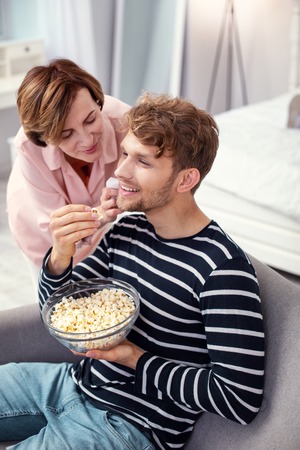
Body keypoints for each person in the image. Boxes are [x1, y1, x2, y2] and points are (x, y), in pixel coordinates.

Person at [0, 93, 265, 450]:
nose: (120, 171)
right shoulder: (126, 230)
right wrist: (62, 254)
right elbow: (60, 315)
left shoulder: (222, 270)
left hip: (128, 425)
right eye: (125, 153)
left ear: (185, 180)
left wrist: (135, 358)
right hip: (73, 383)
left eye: (142, 161)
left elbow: (239, 399)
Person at [6, 58, 129, 281]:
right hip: (40, 230)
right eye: (66, 134)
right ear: (45, 138)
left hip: (98, 231)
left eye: (91, 119)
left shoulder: (124, 121)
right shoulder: (29, 145)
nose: (86, 140)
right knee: (53, 297)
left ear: (97, 101)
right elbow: (58, 229)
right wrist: (99, 214)